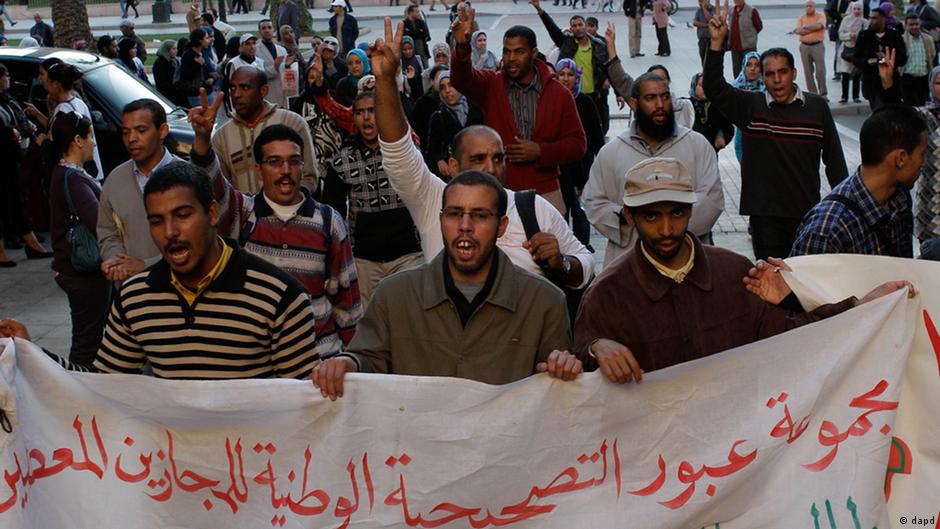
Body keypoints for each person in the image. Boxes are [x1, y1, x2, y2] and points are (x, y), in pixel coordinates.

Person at [572, 156, 914, 383]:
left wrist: (860, 308)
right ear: (630, 216)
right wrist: (595, 347)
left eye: (676, 213)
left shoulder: (734, 273)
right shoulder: (607, 294)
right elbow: (575, 373)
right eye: (651, 216)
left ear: (691, 211)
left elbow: (793, 337)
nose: (665, 229)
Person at [2, 160, 324, 380]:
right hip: (172, 473)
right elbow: (103, 389)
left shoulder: (281, 297)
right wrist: (32, 354)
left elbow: (301, 406)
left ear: (212, 213)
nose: (169, 232)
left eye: (183, 215)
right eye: (156, 221)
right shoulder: (135, 297)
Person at [311, 170, 581, 400]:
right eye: (454, 214)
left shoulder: (545, 302)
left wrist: (564, 368)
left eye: (480, 215)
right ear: (441, 220)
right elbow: (368, 360)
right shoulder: (394, 295)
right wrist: (348, 363)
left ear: (501, 226)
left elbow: (557, 393)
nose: (465, 226)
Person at [372, 18, 594, 291]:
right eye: (477, 159)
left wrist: (562, 263)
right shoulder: (433, 202)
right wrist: (384, 81)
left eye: (498, 158)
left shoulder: (532, 209)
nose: (490, 167)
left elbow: (584, 263)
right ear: (453, 165)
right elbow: (399, 152)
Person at [704, 3, 848, 261]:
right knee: (771, 285)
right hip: (765, 217)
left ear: (794, 73)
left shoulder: (816, 108)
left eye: (783, 72)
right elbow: (714, 88)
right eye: (770, 74)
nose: (777, 79)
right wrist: (717, 45)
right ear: (763, 76)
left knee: (804, 284)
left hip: (807, 213)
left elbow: (835, 162)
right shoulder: (751, 107)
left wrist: (843, 208)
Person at [450, 7, 587, 214]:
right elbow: (462, 79)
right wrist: (461, 47)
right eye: (506, 51)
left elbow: (578, 144)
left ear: (533, 53)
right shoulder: (491, 84)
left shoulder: (558, 93)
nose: (511, 58)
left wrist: (541, 151)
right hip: (502, 190)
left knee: (550, 245)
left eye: (519, 51)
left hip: (546, 191)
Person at [584, 71, 724, 267]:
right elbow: (593, 202)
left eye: (665, 97)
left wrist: (668, 228)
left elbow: (712, 199)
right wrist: (625, 217)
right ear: (634, 103)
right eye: (651, 98)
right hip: (630, 264)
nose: (660, 106)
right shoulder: (612, 152)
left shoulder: (697, 145)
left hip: (687, 261)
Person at [320, 90, 424, 306]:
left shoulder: (404, 153)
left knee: (409, 317)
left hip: (408, 254)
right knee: (370, 323)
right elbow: (333, 214)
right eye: (360, 112)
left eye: (372, 111)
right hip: (365, 259)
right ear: (354, 118)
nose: (366, 117)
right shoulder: (342, 162)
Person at [791, 104, 924, 257]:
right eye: (921, 154)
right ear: (900, 158)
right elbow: (800, 281)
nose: (923, 163)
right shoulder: (827, 229)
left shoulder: (900, 198)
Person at [47, 112, 110, 365]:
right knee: (88, 343)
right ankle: (77, 389)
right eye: (90, 136)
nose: (93, 142)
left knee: (89, 337)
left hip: (72, 271)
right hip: (83, 274)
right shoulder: (73, 179)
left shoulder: (64, 173)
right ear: (78, 140)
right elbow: (99, 222)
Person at [97, 100, 182, 283]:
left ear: (162, 131)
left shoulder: (187, 178)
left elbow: (200, 240)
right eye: (126, 132)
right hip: (133, 291)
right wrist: (116, 260)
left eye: (141, 130)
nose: (131, 139)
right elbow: (107, 232)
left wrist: (146, 265)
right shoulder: (115, 179)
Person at [213, 67, 317, 194]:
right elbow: (216, 187)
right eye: (232, 88)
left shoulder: (292, 123)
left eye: (244, 87)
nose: (236, 94)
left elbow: (309, 178)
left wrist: (289, 206)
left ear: (263, 90)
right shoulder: (222, 137)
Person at [531, 3, 611, 134]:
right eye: (574, 26)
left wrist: (617, 92)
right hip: (574, 95)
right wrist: (540, 10)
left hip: (595, 94)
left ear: (585, 26)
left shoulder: (599, 45)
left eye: (580, 25)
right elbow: (552, 29)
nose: (578, 28)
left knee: (598, 129)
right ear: (571, 29)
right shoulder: (566, 43)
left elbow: (608, 66)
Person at [555, 58, 603, 247]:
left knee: (581, 209)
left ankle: (583, 247)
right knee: (562, 210)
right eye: (561, 74)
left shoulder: (585, 102)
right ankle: (566, 246)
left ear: (577, 78)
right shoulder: (553, 101)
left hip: (583, 166)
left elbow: (597, 138)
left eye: (570, 75)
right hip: (561, 168)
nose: (566, 79)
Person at [426, 70, 485, 179]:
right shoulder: (438, 117)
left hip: (478, 171)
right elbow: (432, 151)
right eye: (442, 88)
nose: (447, 91)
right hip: (452, 176)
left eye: (451, 85)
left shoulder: (476, 110)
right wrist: (439, 161)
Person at [854, 8, 906, 110]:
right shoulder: (864, 35)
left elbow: (902, 58)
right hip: (872, 82)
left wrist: (889, 61)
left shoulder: (894, 35)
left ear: (883, 19)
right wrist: (868, 62)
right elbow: (856, 58)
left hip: (891, 83)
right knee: (878, 112)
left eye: (874, 18)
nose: (871, 21)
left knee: (892, 110)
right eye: (870, 18)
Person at [688, 73, 734, 153]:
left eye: (708, 85)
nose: (705, 88)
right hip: (690, 152)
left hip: (710, 153)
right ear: (694, 86)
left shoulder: (717, 106)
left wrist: (721, 136)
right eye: (701, 85)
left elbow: (727, 127)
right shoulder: (687, 105)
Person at [731, 51, 764, 161]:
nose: (753, 69)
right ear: (744, 66)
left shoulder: (768, 89)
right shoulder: (735, 88)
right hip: (743, 128)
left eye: (757, 65)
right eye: (749, 65)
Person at [795, 0, 828, 97]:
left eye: (810, 6)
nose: (808, 8)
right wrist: (812, 28)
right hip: (804, 46)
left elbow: (819, 25)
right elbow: (798, 31)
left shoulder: (820, 16)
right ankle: (813, 93)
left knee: (820, 71)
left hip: (817, 45)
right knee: (808, 71)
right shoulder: (801, 17)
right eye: (807, 6)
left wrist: (805, 28)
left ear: (814, 7)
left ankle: (823, 93)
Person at [902, 15, 935, 107]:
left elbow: (932, 56)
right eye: (911, 24)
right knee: (911, 107)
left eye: (916, 24)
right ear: (906, 26)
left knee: (921, 106)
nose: (914, 27)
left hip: (923, 78)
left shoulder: (928, 39)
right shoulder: (901, 40)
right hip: (907, 78)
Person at [647, 64, 695, 129]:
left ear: (668, 81)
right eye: (654, 79)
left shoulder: (684, 105)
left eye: (662, 79)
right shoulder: (642, 106)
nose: (658, 82)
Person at [178, 29, 217, 107]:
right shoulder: (188, 55)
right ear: (200, 41)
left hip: (208, 91)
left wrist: (212, 78)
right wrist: (197, 65)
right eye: (206, 38)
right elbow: (185, 76)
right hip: (196, 94)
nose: (209, 40)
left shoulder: (204, 52)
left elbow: (208, 70)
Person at [256, 19, 290, 108]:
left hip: (283, 94)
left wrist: (288, 65)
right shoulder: (256, 51)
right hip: (268, 95)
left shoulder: (282, 50)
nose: (267, 30)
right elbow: (257, 75)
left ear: (273, 30)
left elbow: (287, 72)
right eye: (264, 28)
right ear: (260, 31)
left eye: (269, 27)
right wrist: (274, 67)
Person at [837, 1, 865, 104]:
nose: (857, 11)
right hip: (846, 49)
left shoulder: (864, 22)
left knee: (856, 74)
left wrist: (858, 36)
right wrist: (849, 35)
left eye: (859, 9)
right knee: (845, 74)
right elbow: (840, 34)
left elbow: (866, 35)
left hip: (858, 51)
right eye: (855, 9)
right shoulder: (846, 20)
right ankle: (844, 96)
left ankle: (856, 96)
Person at [729, 0, 763, 78]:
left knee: (750, 71)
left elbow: (759, 26)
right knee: (737, 72)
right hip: (735, 47)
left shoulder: (752, 11)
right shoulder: (731, 11)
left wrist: (750, 37)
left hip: (748, 47)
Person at [154, 40, 184, 107]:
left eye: (176, 48)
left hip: (176, 94)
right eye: (173, 49)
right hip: (168, 96)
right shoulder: (160, 63)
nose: (176, 51)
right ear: (166, 50)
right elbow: (162, 83)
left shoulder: (173, 61)